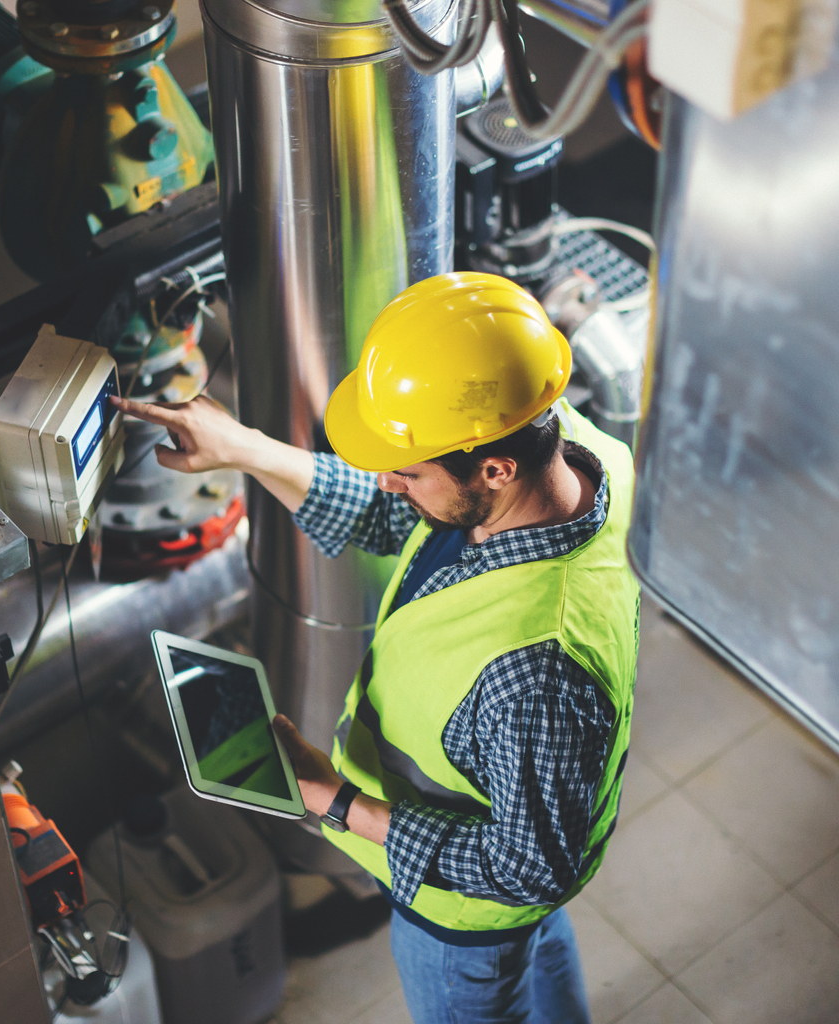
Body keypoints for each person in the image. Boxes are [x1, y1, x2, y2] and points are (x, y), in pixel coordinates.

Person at [112, 272, 639, 1024]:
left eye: (409, 470)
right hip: (521, 846)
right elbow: (404, 522)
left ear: (495, 467)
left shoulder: (536, 672)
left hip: (461, 918)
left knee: (514, 938)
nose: (388, 482)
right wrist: (247, 450)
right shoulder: (574, 452)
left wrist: (334, 800)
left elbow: (527, 870)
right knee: (541, 949)